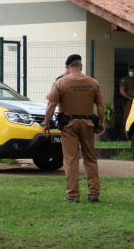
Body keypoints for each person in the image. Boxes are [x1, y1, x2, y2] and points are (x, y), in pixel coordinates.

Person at [44, 54, 105, 203]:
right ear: (81, 66)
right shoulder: (93, 82)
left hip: (69, 125)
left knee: (71, 159)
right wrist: (102, 122)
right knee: (90, 158)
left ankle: (73, 195)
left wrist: (46, 123)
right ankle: (94, 194)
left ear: (67, 67)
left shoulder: (61, 82)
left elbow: (52, 104)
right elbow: (100, 105)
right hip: (88, 123)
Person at [119, 65, 134, 138]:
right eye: (130, 71)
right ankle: (123, 134)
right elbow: (122, 91)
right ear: (128, 71)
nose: (132, 72)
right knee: (126, 117)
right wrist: (130, 98)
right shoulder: (124, 79)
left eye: (133, 71)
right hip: (128, 101)